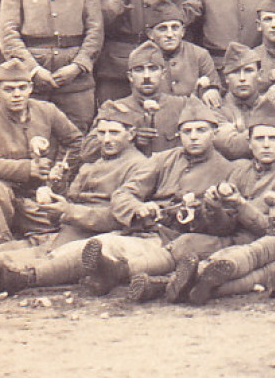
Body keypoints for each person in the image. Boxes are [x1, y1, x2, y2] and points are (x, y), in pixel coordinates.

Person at [0, 99, 148, 297]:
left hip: (94, 237)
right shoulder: (95, 163)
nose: (106, 139)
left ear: (132, 134)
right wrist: (54, 193)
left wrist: (69, 212)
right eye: (102, 132)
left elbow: (121, 217)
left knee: (17, 260)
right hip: (64, 231)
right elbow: (71, 200)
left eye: (114, 133)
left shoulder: (139, 166)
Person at [158, 107, 275, 305]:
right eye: (259, 139)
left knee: (230, 263)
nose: (266, 145)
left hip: (264, 247)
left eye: (273, 138)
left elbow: (271, 231)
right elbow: (224, 229)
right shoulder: (240, 170)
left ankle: (166, 285)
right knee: (185, 243)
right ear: (249, 143)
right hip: (234, 238)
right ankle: (175, 281)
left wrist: (240, 204)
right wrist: (213, 207)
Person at [83, 97, 237, 297]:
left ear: (214, 133)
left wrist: (212, 208)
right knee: (100, 244)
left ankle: (115, 274)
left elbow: (227, 227)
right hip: (149, 230)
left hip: (185, 239)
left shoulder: (229, 170)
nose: (194, 137)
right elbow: (124, 193)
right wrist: (138, 207)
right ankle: (36, 275)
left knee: (156, 254)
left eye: (201, 130)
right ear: (178, 134)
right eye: (187, 131)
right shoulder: (162, 160)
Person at [0, 59, 83, 245]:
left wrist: (61, 167)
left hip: (39, 194)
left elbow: (75, 141)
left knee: (65, 227)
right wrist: (27, 168)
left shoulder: (47, 110)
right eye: (9, 89)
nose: (16, 94)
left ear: (30, 88)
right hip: (5, 196)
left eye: (22, 88)